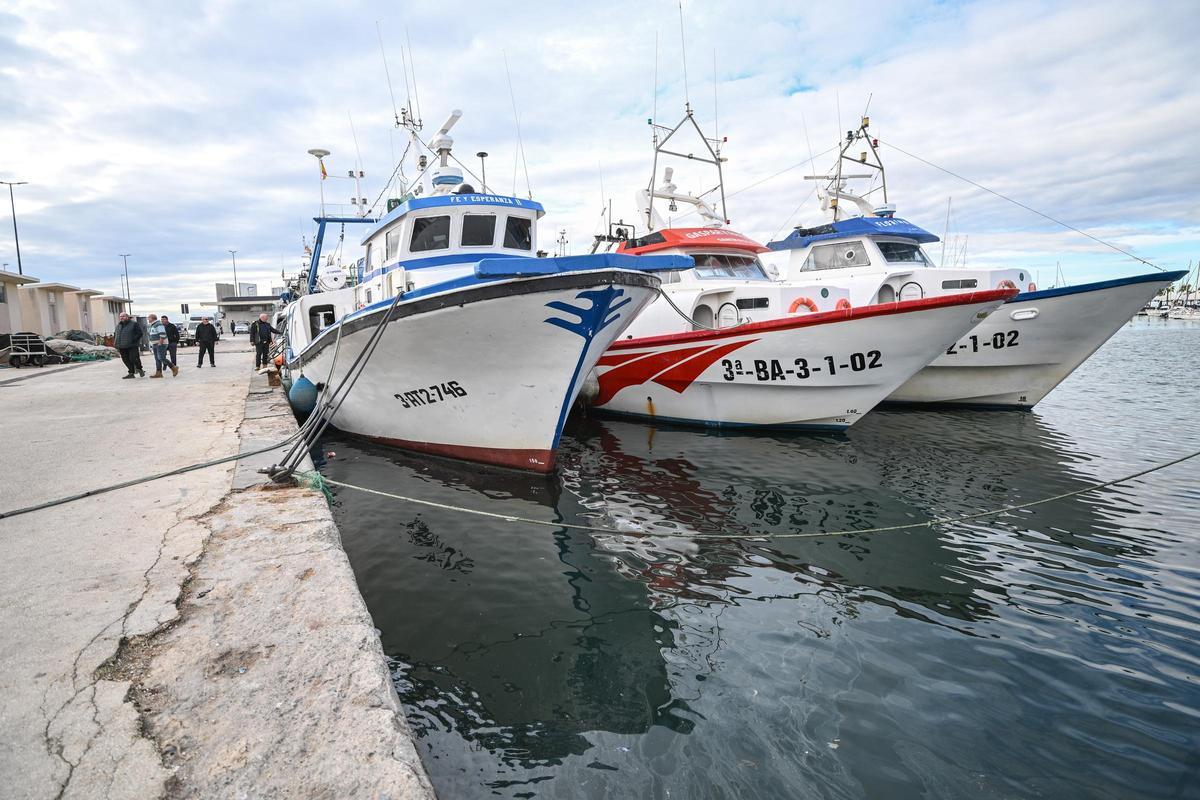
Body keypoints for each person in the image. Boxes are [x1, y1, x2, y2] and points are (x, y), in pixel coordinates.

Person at [113, 312, 146, 379]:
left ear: (127, 317)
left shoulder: (134, 324)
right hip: (121, 346)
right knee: (125, 360)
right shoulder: (118, 325)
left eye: (123, 316)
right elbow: (116, 335)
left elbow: (139, 333)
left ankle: (139, 368)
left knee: (134, 358)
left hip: (132, 345)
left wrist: (133, 340)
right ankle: (131, 373)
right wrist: (116, 343)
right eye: (120, 316)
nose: (122, 317)